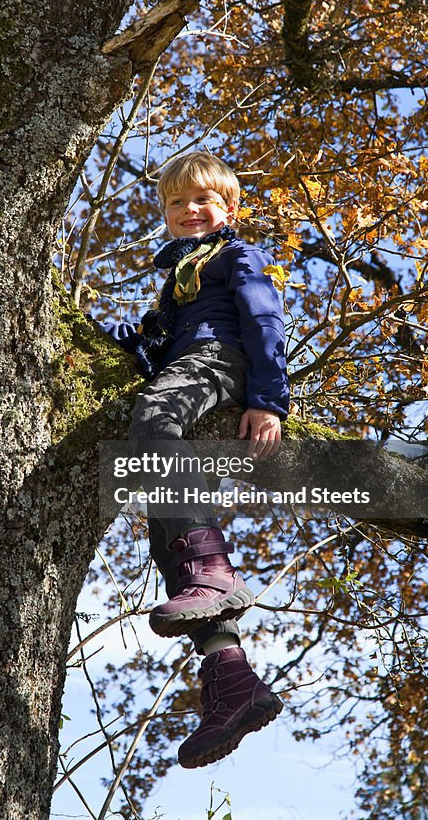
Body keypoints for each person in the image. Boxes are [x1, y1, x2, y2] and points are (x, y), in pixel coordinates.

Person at [97, 151, 289, 768]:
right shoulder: (177, 276)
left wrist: (266, 401)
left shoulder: (236, 257)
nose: (189, 210)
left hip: (218, 362)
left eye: (202, 199)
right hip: (188, 357)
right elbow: (158, 334)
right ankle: (232, 678)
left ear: (229, 209)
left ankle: (214, 572)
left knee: (156, 417)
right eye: (176, 203)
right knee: (163, 521)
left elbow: (263, 321)